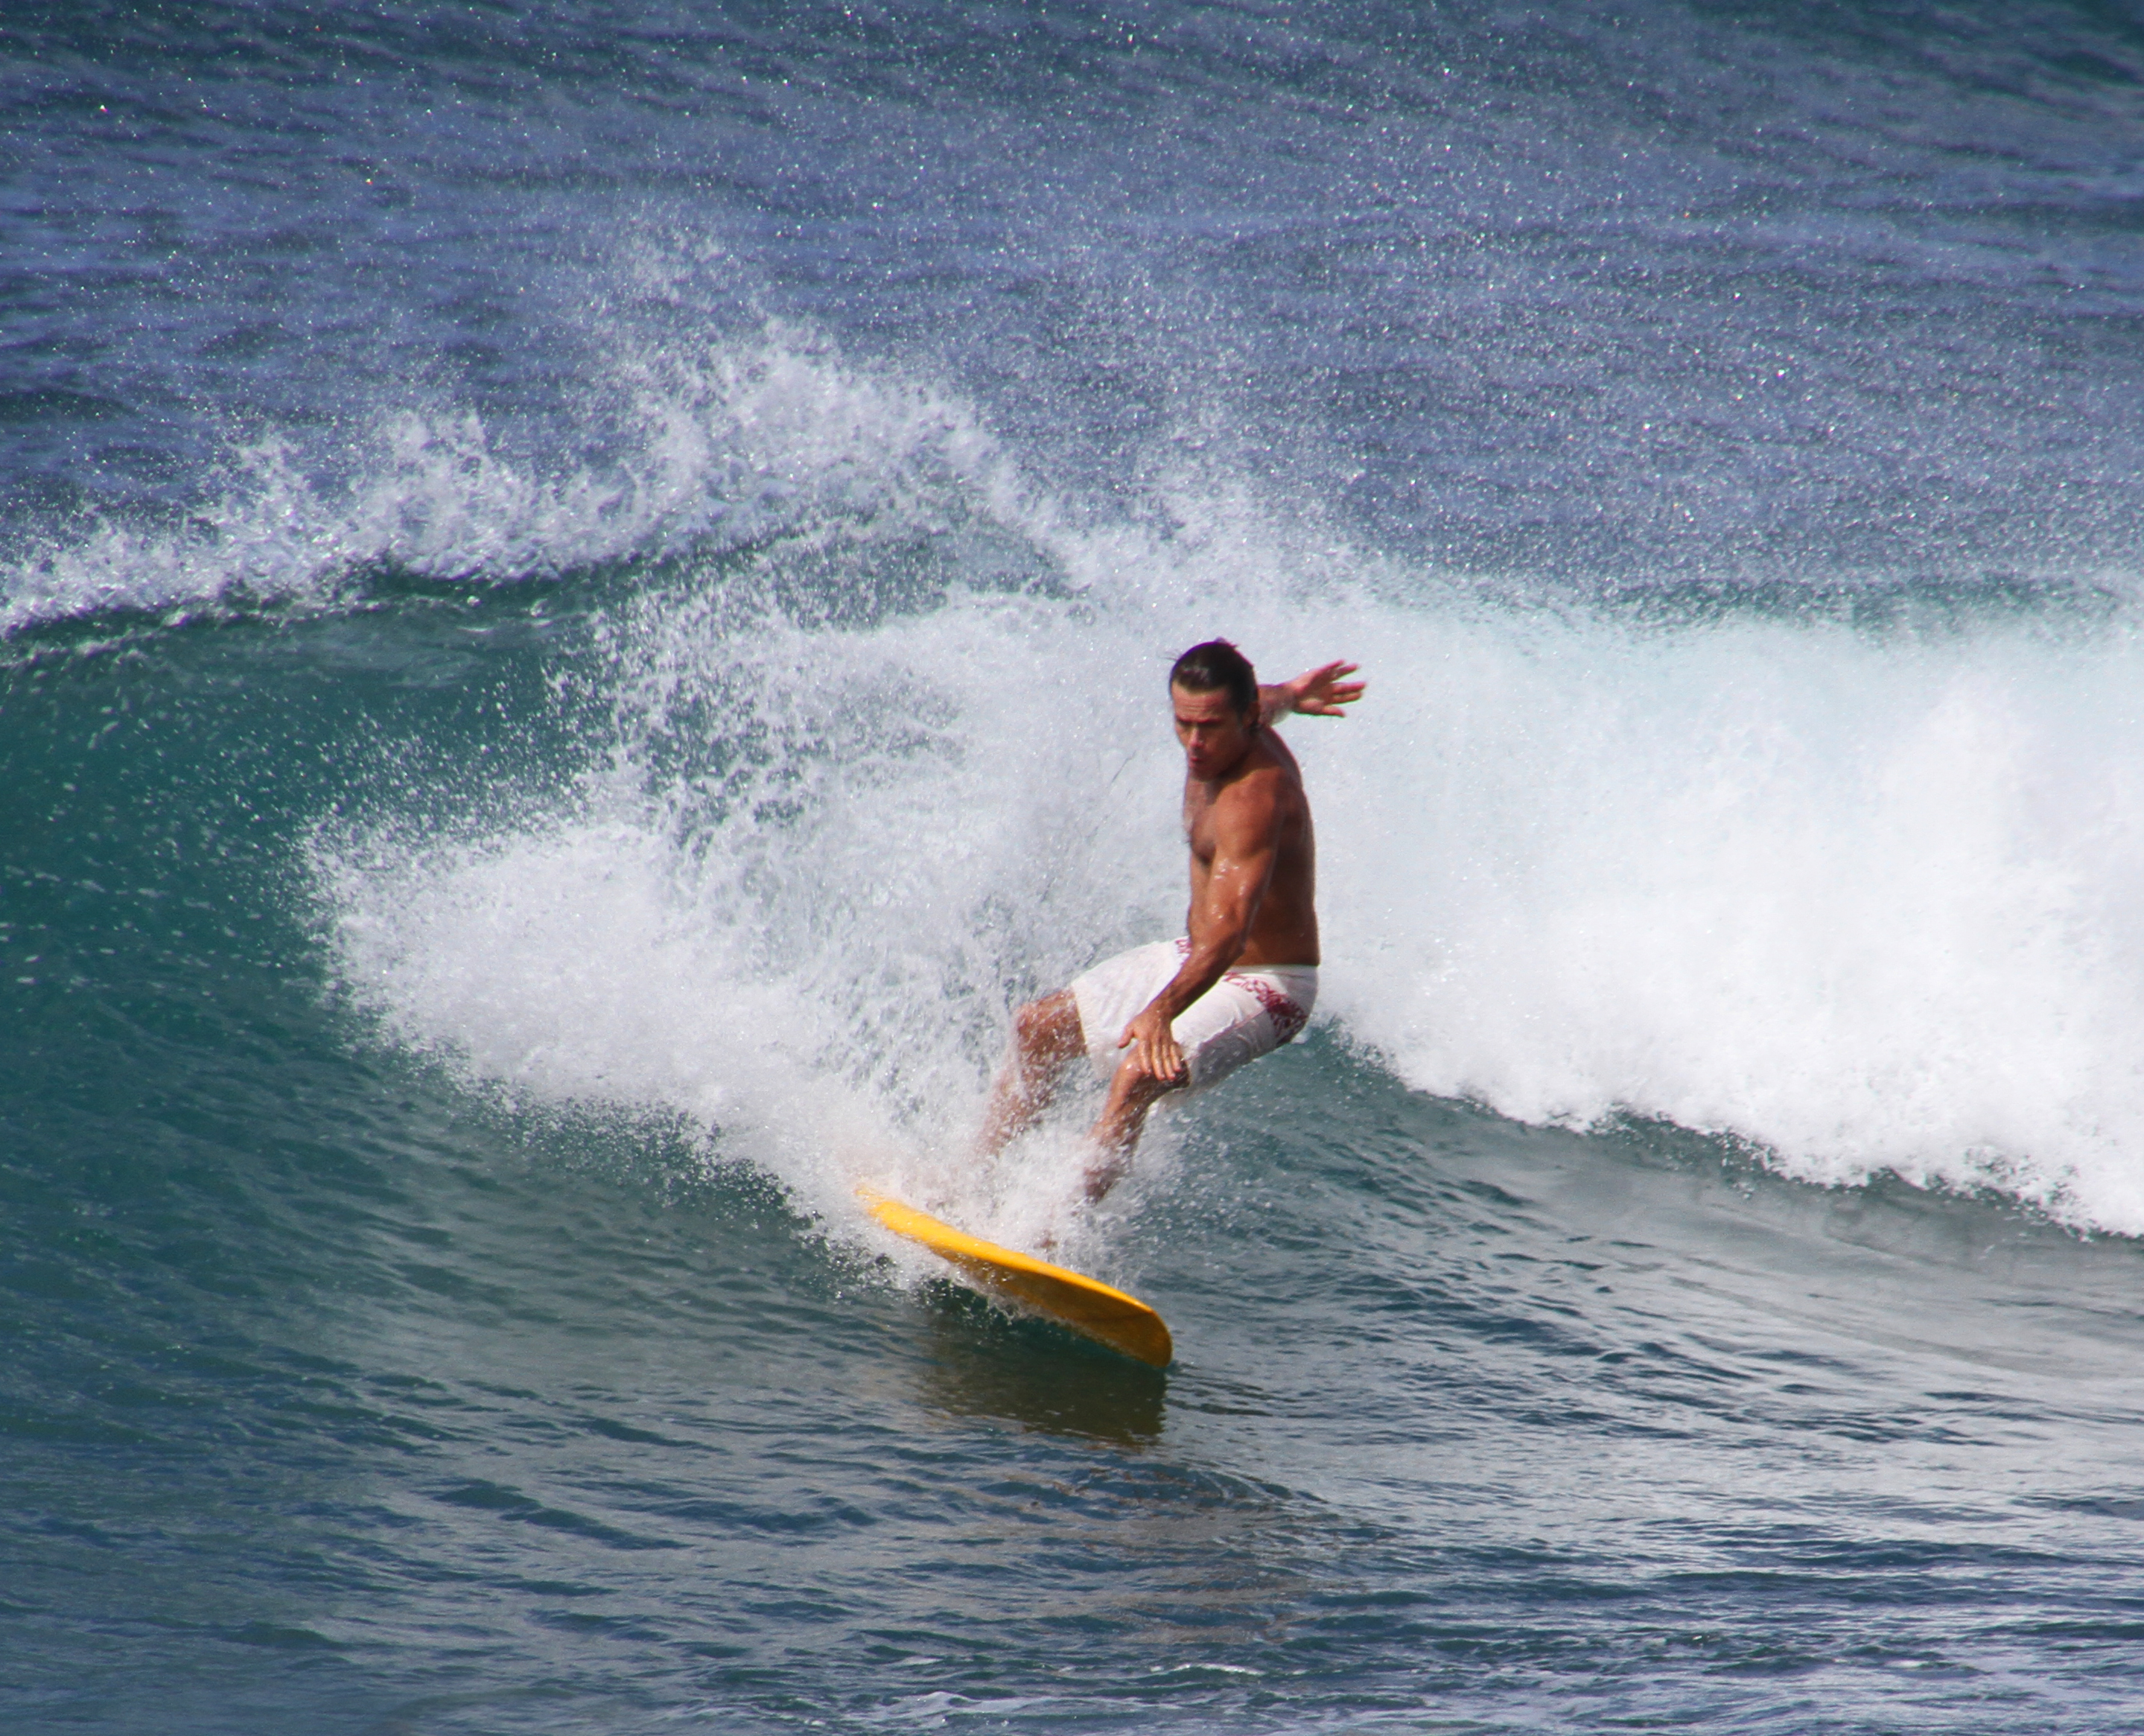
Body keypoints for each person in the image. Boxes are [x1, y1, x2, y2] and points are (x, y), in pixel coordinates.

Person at [977, 640, 1365, 1201]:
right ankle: (965, 1182)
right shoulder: (1238, 718)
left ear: (1244, 718)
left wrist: (1160, 1012)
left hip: (1267, 983)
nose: (1195, 744)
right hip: (1196, 954)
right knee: (1035, 1028)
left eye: (1209, 727)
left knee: (1138, 1075)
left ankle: (1049, 1237)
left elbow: (1231, 933)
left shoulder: (1255, 798)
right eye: (1183, 724)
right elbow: (1266, 699)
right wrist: (1295, 694)